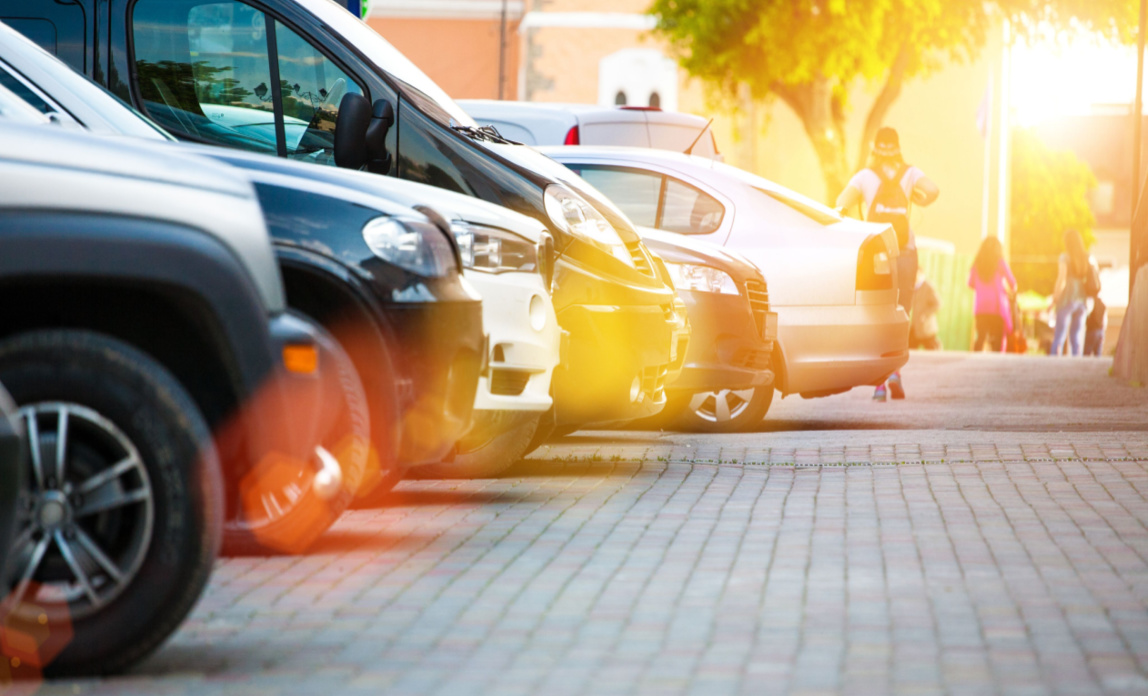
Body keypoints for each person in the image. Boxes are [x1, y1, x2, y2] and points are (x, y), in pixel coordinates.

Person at [836, 126, 940, 401]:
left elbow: (840, 204)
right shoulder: (910, 173)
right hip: (905, 251)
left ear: (874, 148)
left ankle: (880, 382)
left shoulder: (865, 176)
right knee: (901, 314)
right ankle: (895, 372)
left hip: (877, 252)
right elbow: (933, 190)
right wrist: (916, 197)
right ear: (897, 146)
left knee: (877, 313)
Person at [967, 236, 1017, 352]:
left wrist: (981, 287)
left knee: (981, 337)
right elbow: (1013, 283)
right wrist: (1007, 290)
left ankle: (973, 360)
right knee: (997, 339)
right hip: (997, 307)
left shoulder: (977, 264)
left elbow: (970, 283)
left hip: (981, 307)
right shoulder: (1000, 263)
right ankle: (996, 362)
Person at [1049, 229, 1091, 356]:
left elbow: (1061, 279)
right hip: (1082, 299)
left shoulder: (1065, 257)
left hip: (1068, 297)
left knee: (1059, 335)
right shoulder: (1086, 257)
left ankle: (1054, 362)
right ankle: (1076, 363)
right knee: (1076, 336)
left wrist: (1055, 298)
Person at [909, 267, 942, 350]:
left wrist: (925, 314)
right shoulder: (912, 287)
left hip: (926, 328)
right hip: (915, 327)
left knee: (931, 353)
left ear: (921, 274)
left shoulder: (928, 287)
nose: (915, 276)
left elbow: (938, 304)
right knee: (910, 351)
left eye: (917, 274)